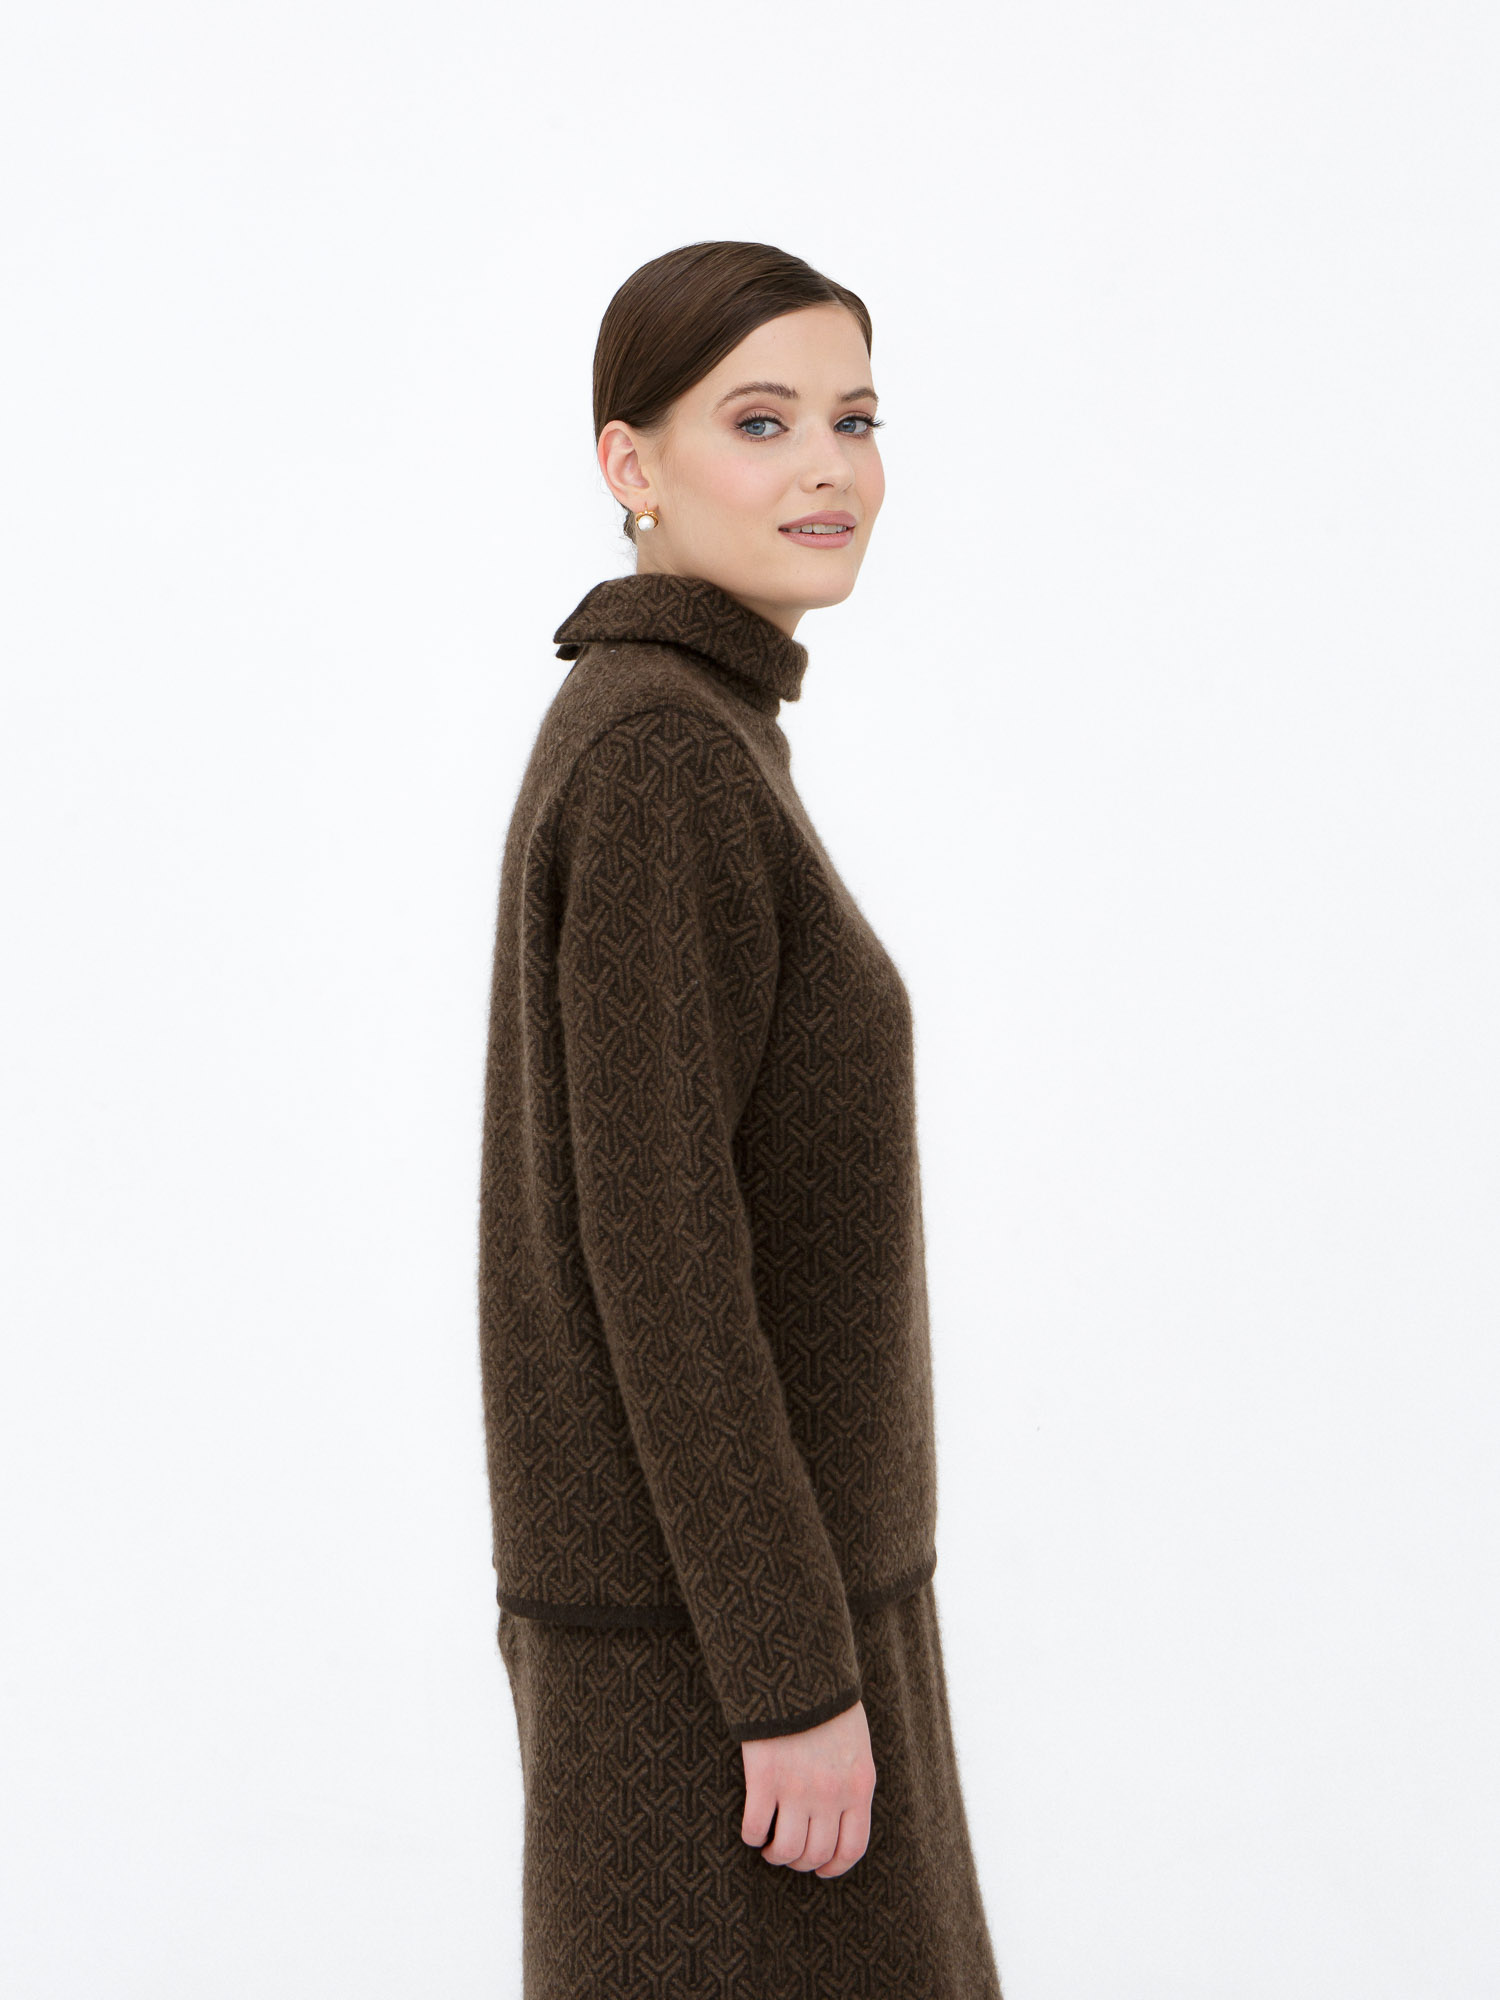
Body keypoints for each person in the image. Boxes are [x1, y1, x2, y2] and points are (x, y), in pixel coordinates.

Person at [477, 239, 1004, 1999]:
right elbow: (662, 1260)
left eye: (856, 418)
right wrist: (788, 1679)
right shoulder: (662, 759)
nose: (827, 467)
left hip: (753, 1632)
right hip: (719, 1673)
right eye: (761, 421)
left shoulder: (695, 730)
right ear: (629, 463)